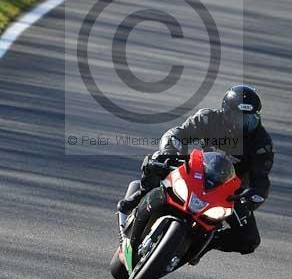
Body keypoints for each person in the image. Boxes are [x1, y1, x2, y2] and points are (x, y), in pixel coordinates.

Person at [117, 85, 274, 256]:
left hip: (227, 191)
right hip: (195, 172)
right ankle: (140, 194)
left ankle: (202, 243)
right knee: (156, 160)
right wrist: (170, 151)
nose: (246, 125)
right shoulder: (208, 118)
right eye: (240, 119)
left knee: (249, 240)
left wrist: (252, 196)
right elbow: (178, 134)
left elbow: (261, 178)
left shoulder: (261, 142)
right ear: (227, 112)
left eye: (251, 119)